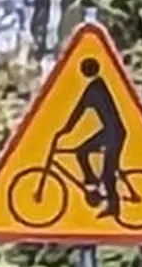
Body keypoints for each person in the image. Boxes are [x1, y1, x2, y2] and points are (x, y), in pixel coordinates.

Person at [51, 57, 129, 223]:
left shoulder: (95, 89)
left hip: (114, 134)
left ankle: (113, 207)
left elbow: (78, 112)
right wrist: (65, 131)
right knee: (81, 151)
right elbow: (79, 111)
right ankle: (91, 180)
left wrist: (65, 130)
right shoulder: (97, 86)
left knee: (108, 173)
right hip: (109, 131)